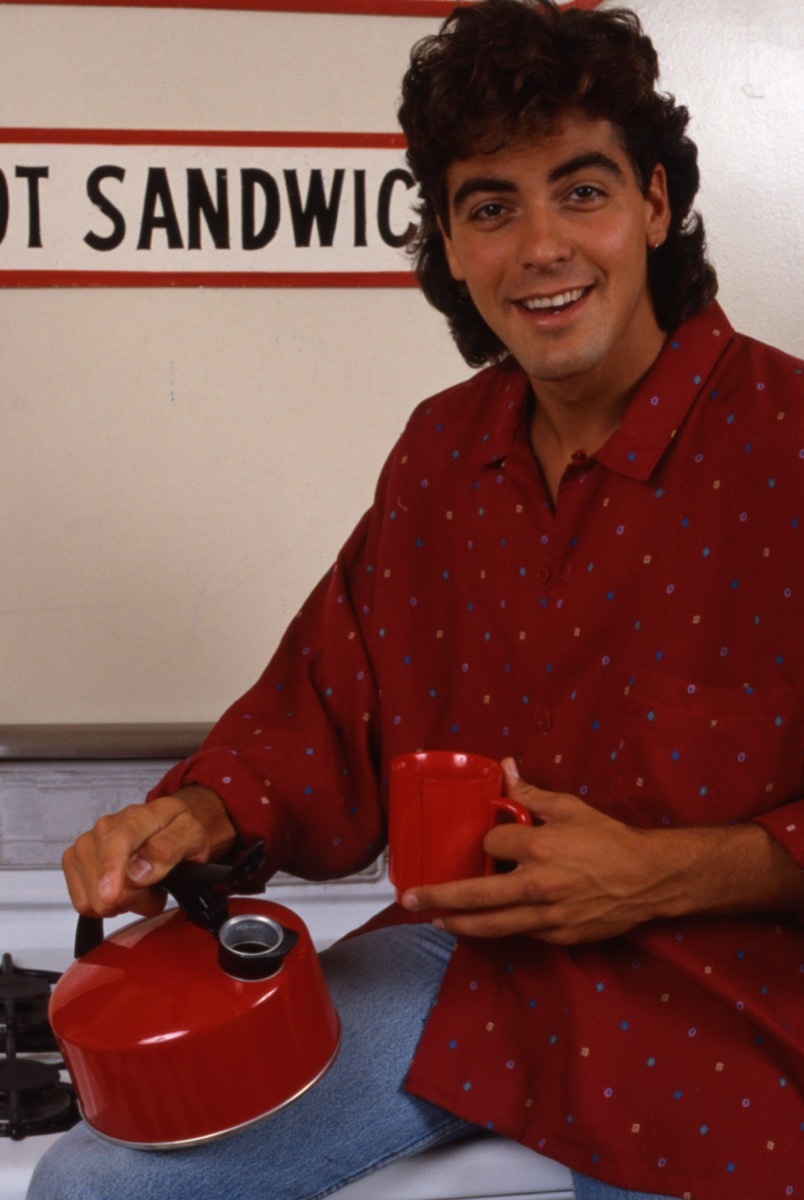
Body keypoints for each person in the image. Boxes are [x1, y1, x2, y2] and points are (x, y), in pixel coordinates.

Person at [30, 2, 802, 1199]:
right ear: (449, 241)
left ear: (656, 204)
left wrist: (675, 870)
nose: (540, 245)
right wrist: (197, 818)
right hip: (468, 972)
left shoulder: (788, 442)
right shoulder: (442, 454)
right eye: (490, 206)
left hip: (729, 988)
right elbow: (321, 715)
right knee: (92, 1183)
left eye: (580, 191)